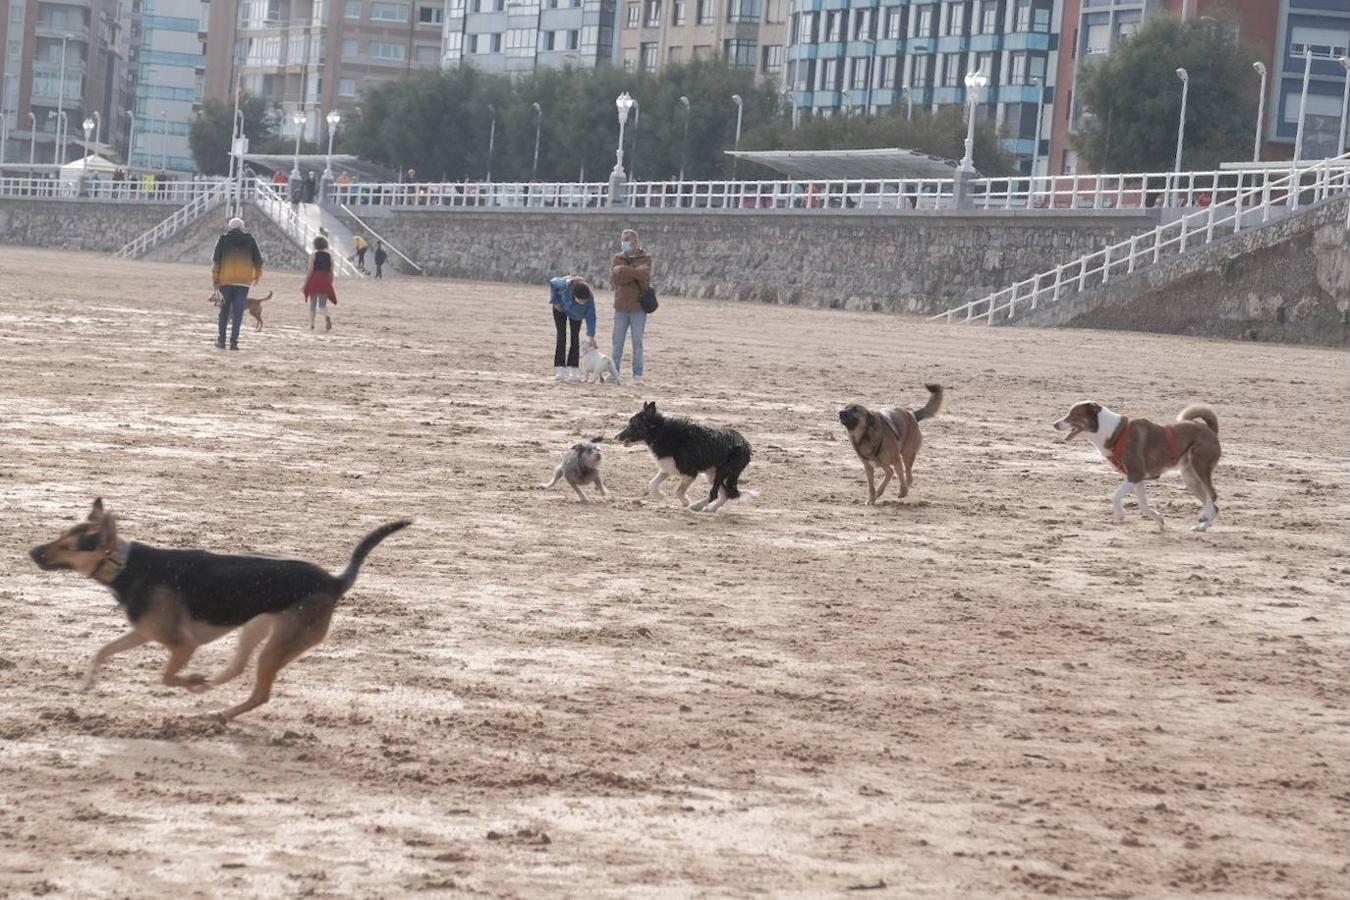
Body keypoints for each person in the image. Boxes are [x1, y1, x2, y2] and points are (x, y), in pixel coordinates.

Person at [211, 217, 263, 351]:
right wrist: (256, 276)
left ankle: (221, 341)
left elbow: (216, 262)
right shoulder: (250, 240)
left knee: (224, 311)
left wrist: (215, 279)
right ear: (242, 228)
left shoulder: (222, 240)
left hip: (225, 281)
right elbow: (258, 261)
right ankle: (234, 342)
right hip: (243, 282)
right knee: (238, 312)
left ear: (230, 227)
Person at [610, 228, 653, 386]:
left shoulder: (645, 258)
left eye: (626, 239)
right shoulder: (618, 257)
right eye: (622, 239)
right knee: (617, 342)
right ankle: (614, 374)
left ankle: (637, 374)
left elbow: (645, 275)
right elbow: (615, 279)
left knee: (637, 342)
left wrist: (623, 271)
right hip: (621, 306)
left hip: (638, 307)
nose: (624, 242)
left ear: (635, 241)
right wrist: (633, 272)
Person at [549, 276, 597, 383]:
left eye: (584, 301)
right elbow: (553, 282)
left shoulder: (589, 299)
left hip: (576, 315)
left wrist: (591, 335)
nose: (583, 302)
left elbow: (591, 317)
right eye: (580, 300)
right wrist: (555, 301)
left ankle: (574, 370)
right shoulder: (565, 285)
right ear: (574, 295)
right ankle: (560, 370)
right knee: (561, 337)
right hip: (560, 309)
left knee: (575, 338)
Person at [302, 236, 338, 332]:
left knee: (312, 304)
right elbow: (331, 272)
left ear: (315, 244)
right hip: (325, 280)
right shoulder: (330, 256)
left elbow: (310, 270)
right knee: (322, 305)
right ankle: (326, 316)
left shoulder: (313, 255)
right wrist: (330, 283)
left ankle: (312, 324)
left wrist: (305, 283)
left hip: (315, 280)